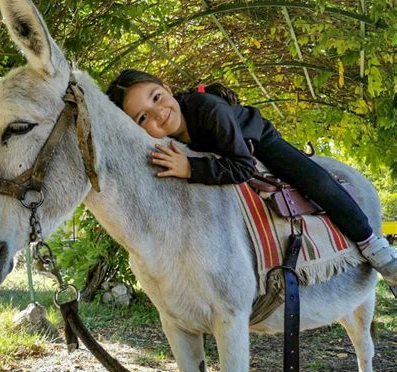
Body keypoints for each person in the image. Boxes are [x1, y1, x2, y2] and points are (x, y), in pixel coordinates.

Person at [106, 68, 397, 287]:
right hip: (221, 156)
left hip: (256, 141)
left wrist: (191, 169)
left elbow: (243, 166)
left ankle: (372, 243)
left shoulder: (208, 109)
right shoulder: (164, 144)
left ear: (166, 88)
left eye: (156, 97)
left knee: (315, 181)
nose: (157, 113)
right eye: (142, 118)